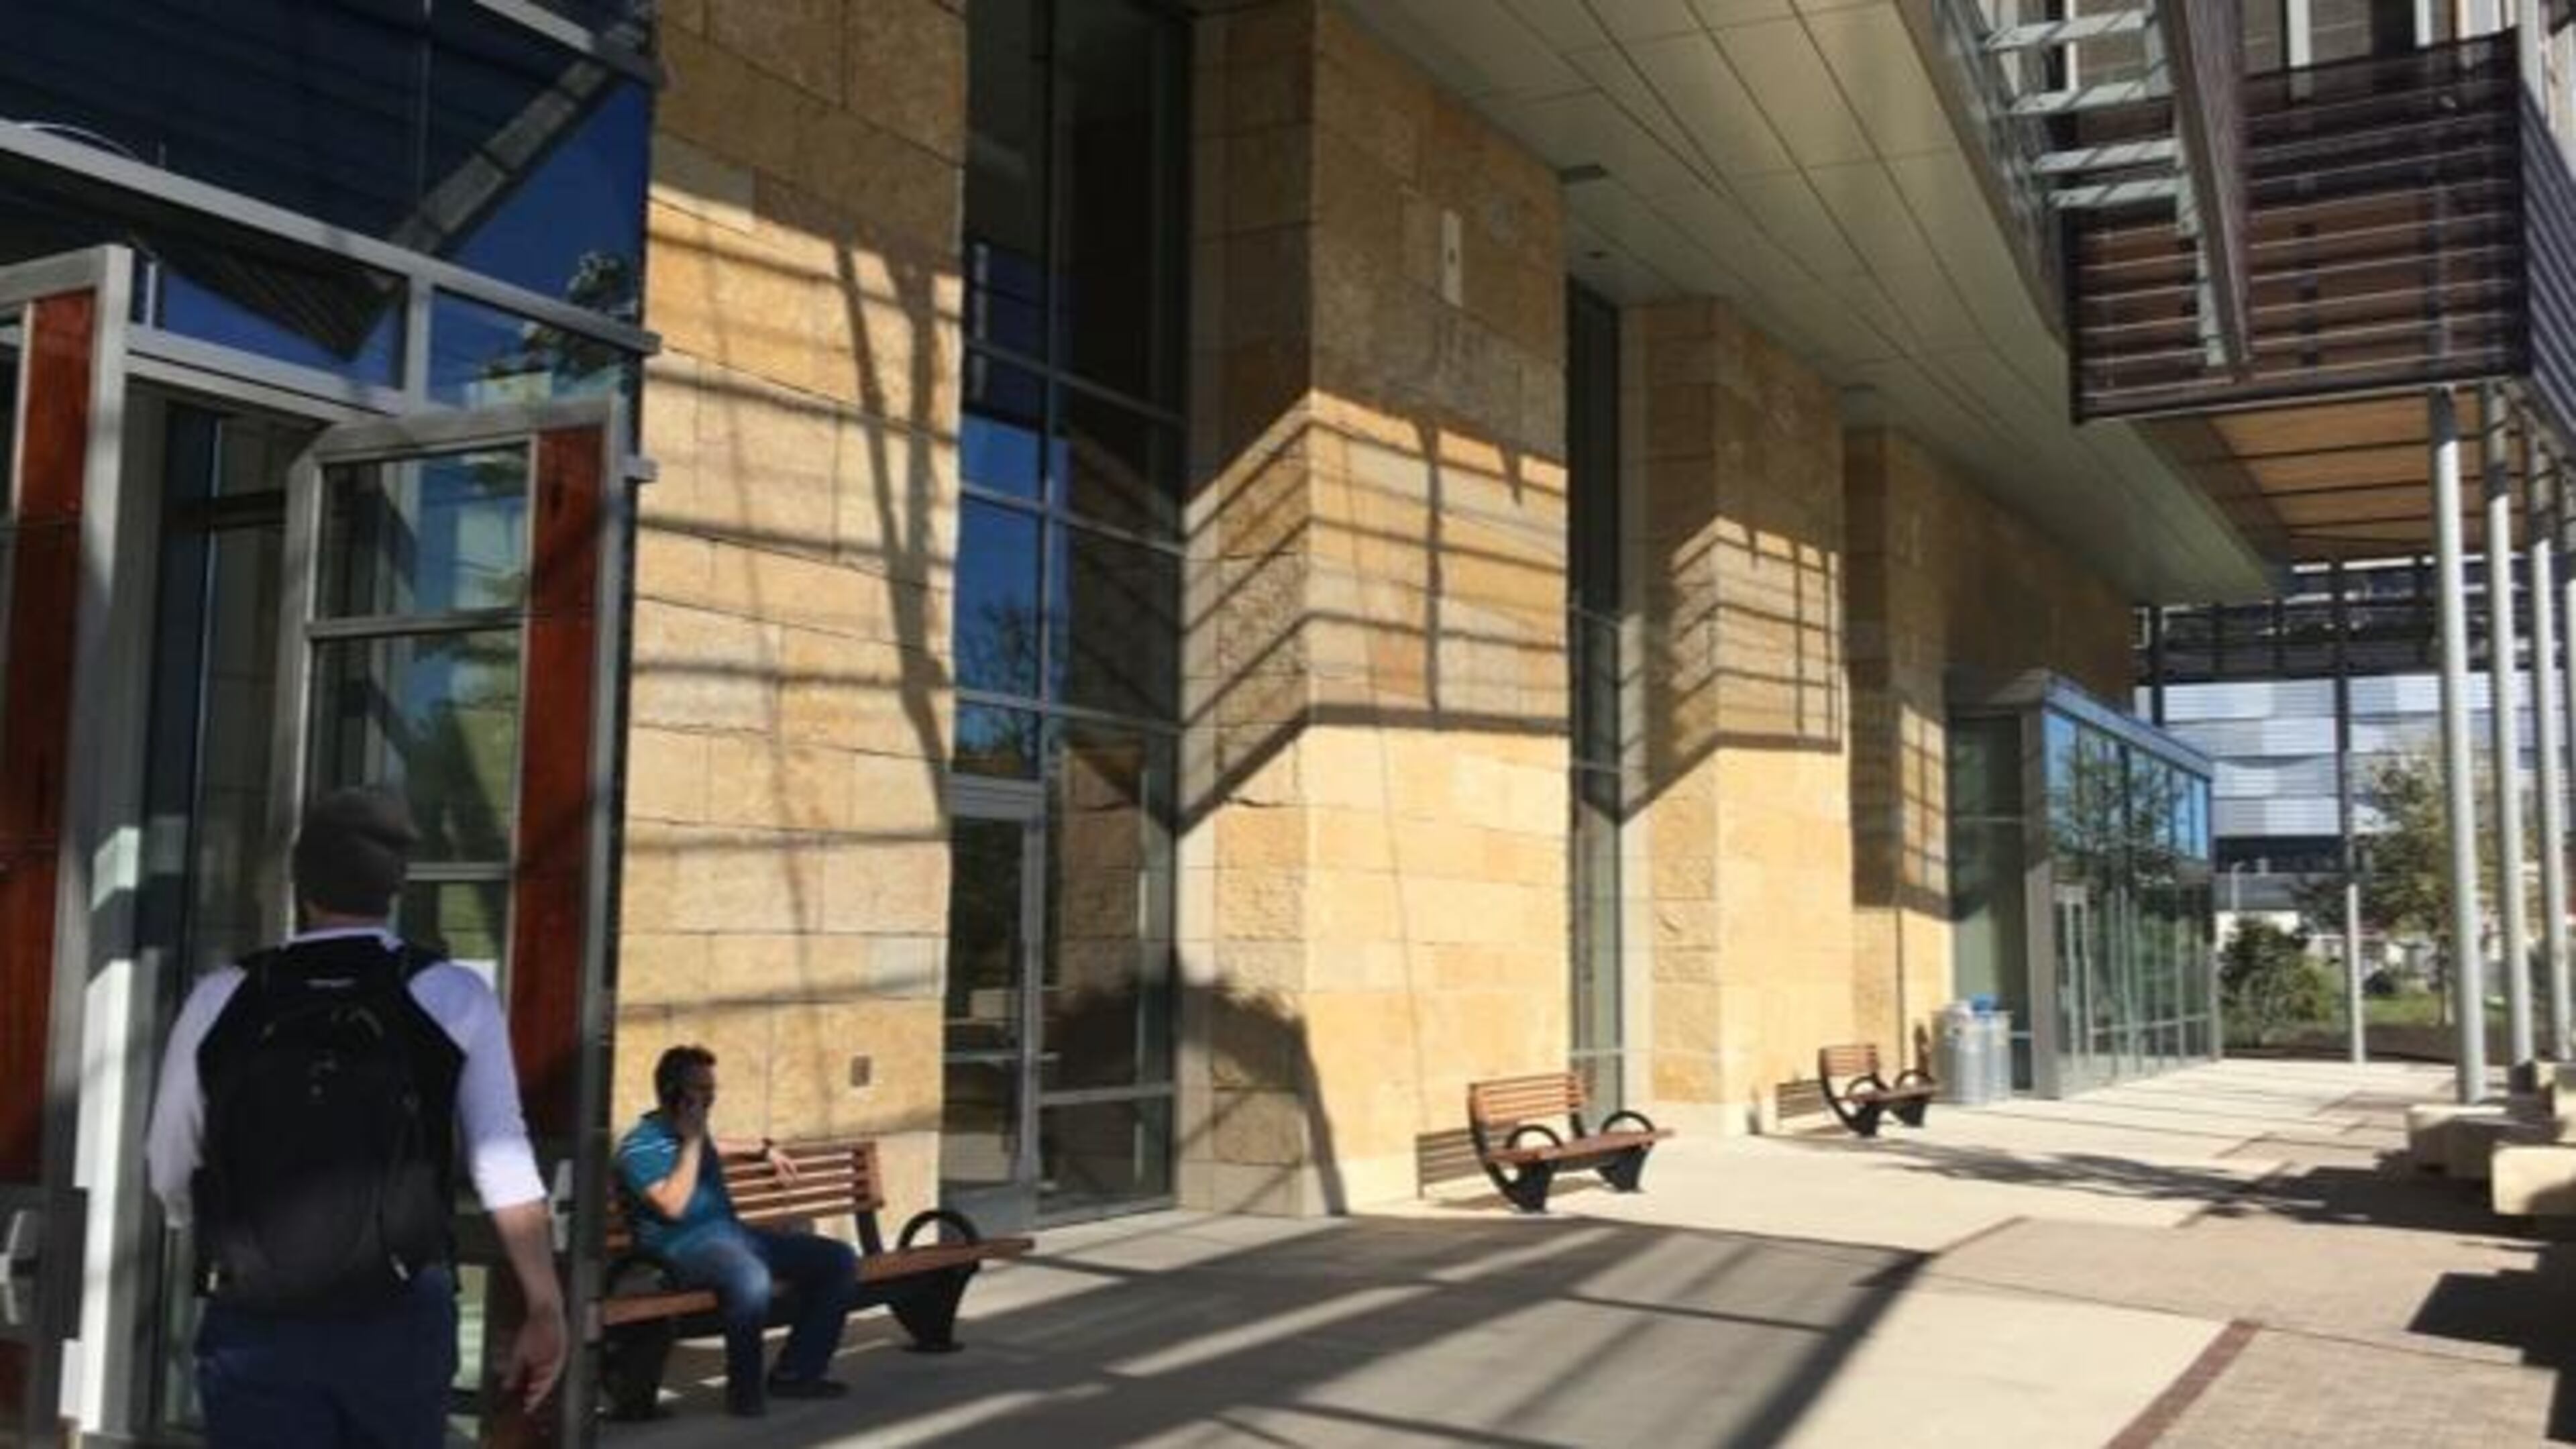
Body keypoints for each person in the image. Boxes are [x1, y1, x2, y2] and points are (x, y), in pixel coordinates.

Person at [144, 787, 566, 1448]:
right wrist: (544, 1301)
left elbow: (170, 1155)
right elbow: (502, 1162)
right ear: (394, 887)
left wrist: (206, 1226)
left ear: (301, 883)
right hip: (399, 1314)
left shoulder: (223, 995)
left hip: (256, 1311)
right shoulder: (452, 995)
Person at [616, 1046, 856, 1417]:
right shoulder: (638, 1146)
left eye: (712, 1089)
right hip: (678, 1251)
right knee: (750, 1276)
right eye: (701, 1089)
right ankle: (745, 1392)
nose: (710, 1098)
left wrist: (762, 1148)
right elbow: (673, 1206)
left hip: (734, 1236)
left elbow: (717, 1145)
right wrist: (693, 1142)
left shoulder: (695, 1133)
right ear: (672, 1091)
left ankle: (796, 1373)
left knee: (837, 1259)